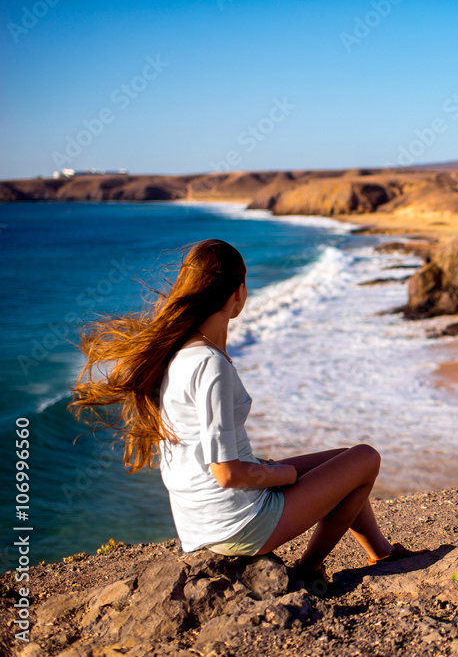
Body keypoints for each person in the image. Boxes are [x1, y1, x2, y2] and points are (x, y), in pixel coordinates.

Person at [69, 239, 422, 584]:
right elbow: (226, 473)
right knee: (365, 457)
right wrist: (278, 476)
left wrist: (266, 470)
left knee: (343, 459)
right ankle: (310, 568)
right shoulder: (209, 365)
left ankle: (382, 553)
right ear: (238, 293)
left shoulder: (178, 351)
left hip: (202, 519)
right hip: (236, 522)